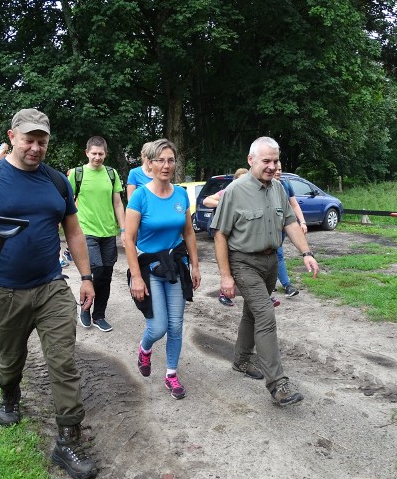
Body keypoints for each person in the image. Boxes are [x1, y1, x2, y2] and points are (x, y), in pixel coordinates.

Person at [0, 108, 97, 479]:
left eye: (42, 141)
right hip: (3, 291)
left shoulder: (57, 182)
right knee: (10, 361)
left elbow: (74, 232)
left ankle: (67, 441)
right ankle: (9, 392)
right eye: (29, 139)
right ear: (12, 137)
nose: (35, 147)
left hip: (51, 286)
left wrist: (86, 276)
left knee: (63, 362)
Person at [211, 136, 319, 406]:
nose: (272, 166)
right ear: (251, 160)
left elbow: (290, 222)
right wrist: (226, 276)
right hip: (243, 262)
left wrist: (306, 253)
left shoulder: (279, 188)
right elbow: (220, 235)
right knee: (265, 314)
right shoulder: (235, 191)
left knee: (252, 312)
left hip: (270, 262)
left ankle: (241, 360)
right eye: (266, 161)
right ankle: (278, 385)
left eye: (275, 160)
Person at [125, 138, 201, 400]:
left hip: (176, 266)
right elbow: (128, 239)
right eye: (160, 160)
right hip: (149, 268)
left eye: (171, 160)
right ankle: (145, 349)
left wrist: (195, 265)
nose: (166, 165)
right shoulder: (140, 196)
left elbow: (188, 232)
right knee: (158, 327)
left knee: (176, 326)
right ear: (149, 163)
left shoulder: (181, 194)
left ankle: (171, 375)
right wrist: (135, 276)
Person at [68, 136, 126, 333]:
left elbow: (118, 203)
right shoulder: (77, 174)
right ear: (87, 153)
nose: (97, 157)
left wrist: (124, 229)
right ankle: (85, 307)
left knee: (106, 275)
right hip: (87, 231)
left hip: (109, 232)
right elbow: (67, 203)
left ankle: (99, 315)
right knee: (97, 270)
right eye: (94, 153)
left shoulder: (112, 174)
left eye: (101, 154)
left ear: (105, 154)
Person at [204, 168, 281, 308]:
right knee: (229, 261)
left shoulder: (256, 193)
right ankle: (224, 292)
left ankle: (263, 296)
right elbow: (206, 201)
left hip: (243, 236)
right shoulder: (229, 192)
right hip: (227, 235)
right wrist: (225, 204)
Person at [275, 162, 308, 297]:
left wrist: (302, 221)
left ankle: (279, 284)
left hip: (283, 227)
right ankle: (286, 285)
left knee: (277, 254)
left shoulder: (285, 184)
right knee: (277, 254)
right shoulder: (260, 185)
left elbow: (294, 205)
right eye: (275, 169)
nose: (277, 171)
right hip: (266, 229)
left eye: (280, 169)